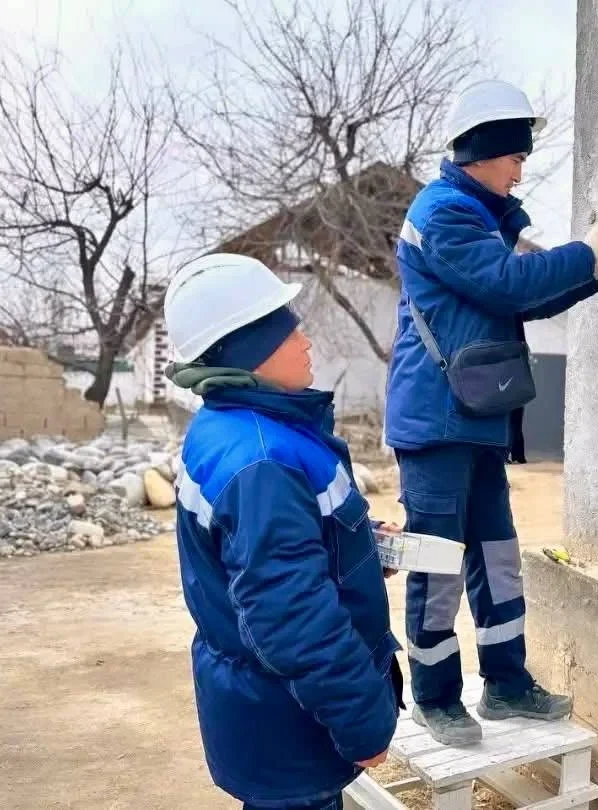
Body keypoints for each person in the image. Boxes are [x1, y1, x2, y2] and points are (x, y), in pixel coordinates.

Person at [385, 79, 598, 745]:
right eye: (515, 157)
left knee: (496, 554)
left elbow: (527, 298)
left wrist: (597, 271)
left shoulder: (478, 216)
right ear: (482, 152)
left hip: (475, 415)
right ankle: (436, 697)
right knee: (438, 561)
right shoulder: (444, 213)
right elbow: (506, 285)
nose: (521, 171)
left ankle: (506, 683)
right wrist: (585, 254)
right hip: (436, 422)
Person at [162, 253, 404, 810]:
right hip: (288, 720)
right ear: (251, 350)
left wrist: (359, 542)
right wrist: (363, 721)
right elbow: (291, 614)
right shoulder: (263, 460)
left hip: (262, 709)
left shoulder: (229, 427)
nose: (305, 341)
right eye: (289, 330)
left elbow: (268, 551)